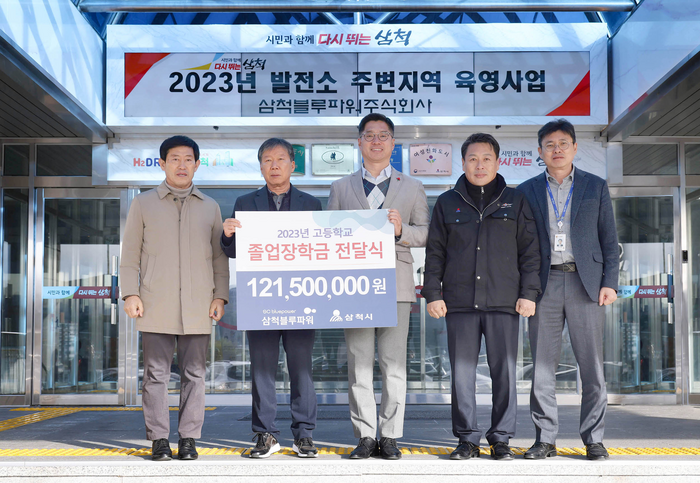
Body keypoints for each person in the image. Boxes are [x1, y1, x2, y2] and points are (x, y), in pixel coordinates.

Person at [422, 133, 541, 461]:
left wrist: (529, 293)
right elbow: (435, 252)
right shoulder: (447, 202)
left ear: (498, 162)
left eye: (486, 158)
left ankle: (500, 438)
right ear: (463, 163)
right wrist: (432, 293)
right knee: (462, 376)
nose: (479, 165)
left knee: (504, 373)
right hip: (459, 302)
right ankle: (467, 439)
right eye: (473, 159)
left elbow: (530, 252)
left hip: (505, 302)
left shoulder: (515, 200)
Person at [120, 135, 229, 461]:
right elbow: (130, 254)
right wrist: (130, 293)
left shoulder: (210, 207)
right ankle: (159, 440)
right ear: (162, 163)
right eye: (175, 159)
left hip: (198, 305)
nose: (182, 165)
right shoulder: (143, 203)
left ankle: (189, 439)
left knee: (195, 374)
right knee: (156, 375)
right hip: (155, 303)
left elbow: (219, 258)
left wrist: (220, 296)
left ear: (197, 164)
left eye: (188, 159)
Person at [327, 113, 430, 460]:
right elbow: (329, 237)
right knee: (358, 364)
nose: (376, 141)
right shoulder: (341, 187)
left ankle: (390, 435)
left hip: (397, 284)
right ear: (359, 142)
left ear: (393, 143)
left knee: (393, 364)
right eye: (369, 135)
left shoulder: (412, 186)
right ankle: (365, 436)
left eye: (383, 135)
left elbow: (426, 233)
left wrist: (401, 231)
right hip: (353, 285)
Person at [517, 119, 619, 461]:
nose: (556, 149)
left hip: (585, 284)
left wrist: (610, 282)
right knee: (542, 367)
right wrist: (524, 289)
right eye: (550, 145)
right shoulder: (527, 190)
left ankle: (594, 439)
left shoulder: (595, 186)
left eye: (563, 143)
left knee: (591, 366)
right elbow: (521, 244)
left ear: (575, 147)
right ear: (540, 151)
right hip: (543, 285)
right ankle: (545, 439)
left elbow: (609, 239)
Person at [221, 138, 322, 458]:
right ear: (261, 166)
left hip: (301, 298)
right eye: (267, 160)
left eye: (280, 159)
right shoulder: (245, 203)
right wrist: (228, 235)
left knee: (301, 369)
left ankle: (304, 434)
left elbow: (322, 251)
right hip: (261, 298)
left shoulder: (311, 204)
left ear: (293, 165)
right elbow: (234, 252)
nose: (274, 165)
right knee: (262, 369)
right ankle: (265, 434)